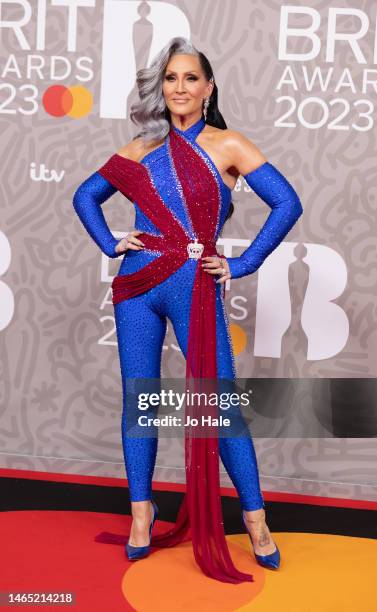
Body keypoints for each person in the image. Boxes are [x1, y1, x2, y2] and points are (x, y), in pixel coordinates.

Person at [72, 36, 303, 584]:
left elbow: (287, 202)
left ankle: (255, 521)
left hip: (193, 284)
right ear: (163, 87)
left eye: (190, 78)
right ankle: (141, 515)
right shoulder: (139, 147)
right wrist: (111, 244)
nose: (180, 87)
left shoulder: (229, 144)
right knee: (141, 402)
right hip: (136, 285)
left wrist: (242, 265)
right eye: (171, 78)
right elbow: (85, 196)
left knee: (216, 407)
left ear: (209, 87)